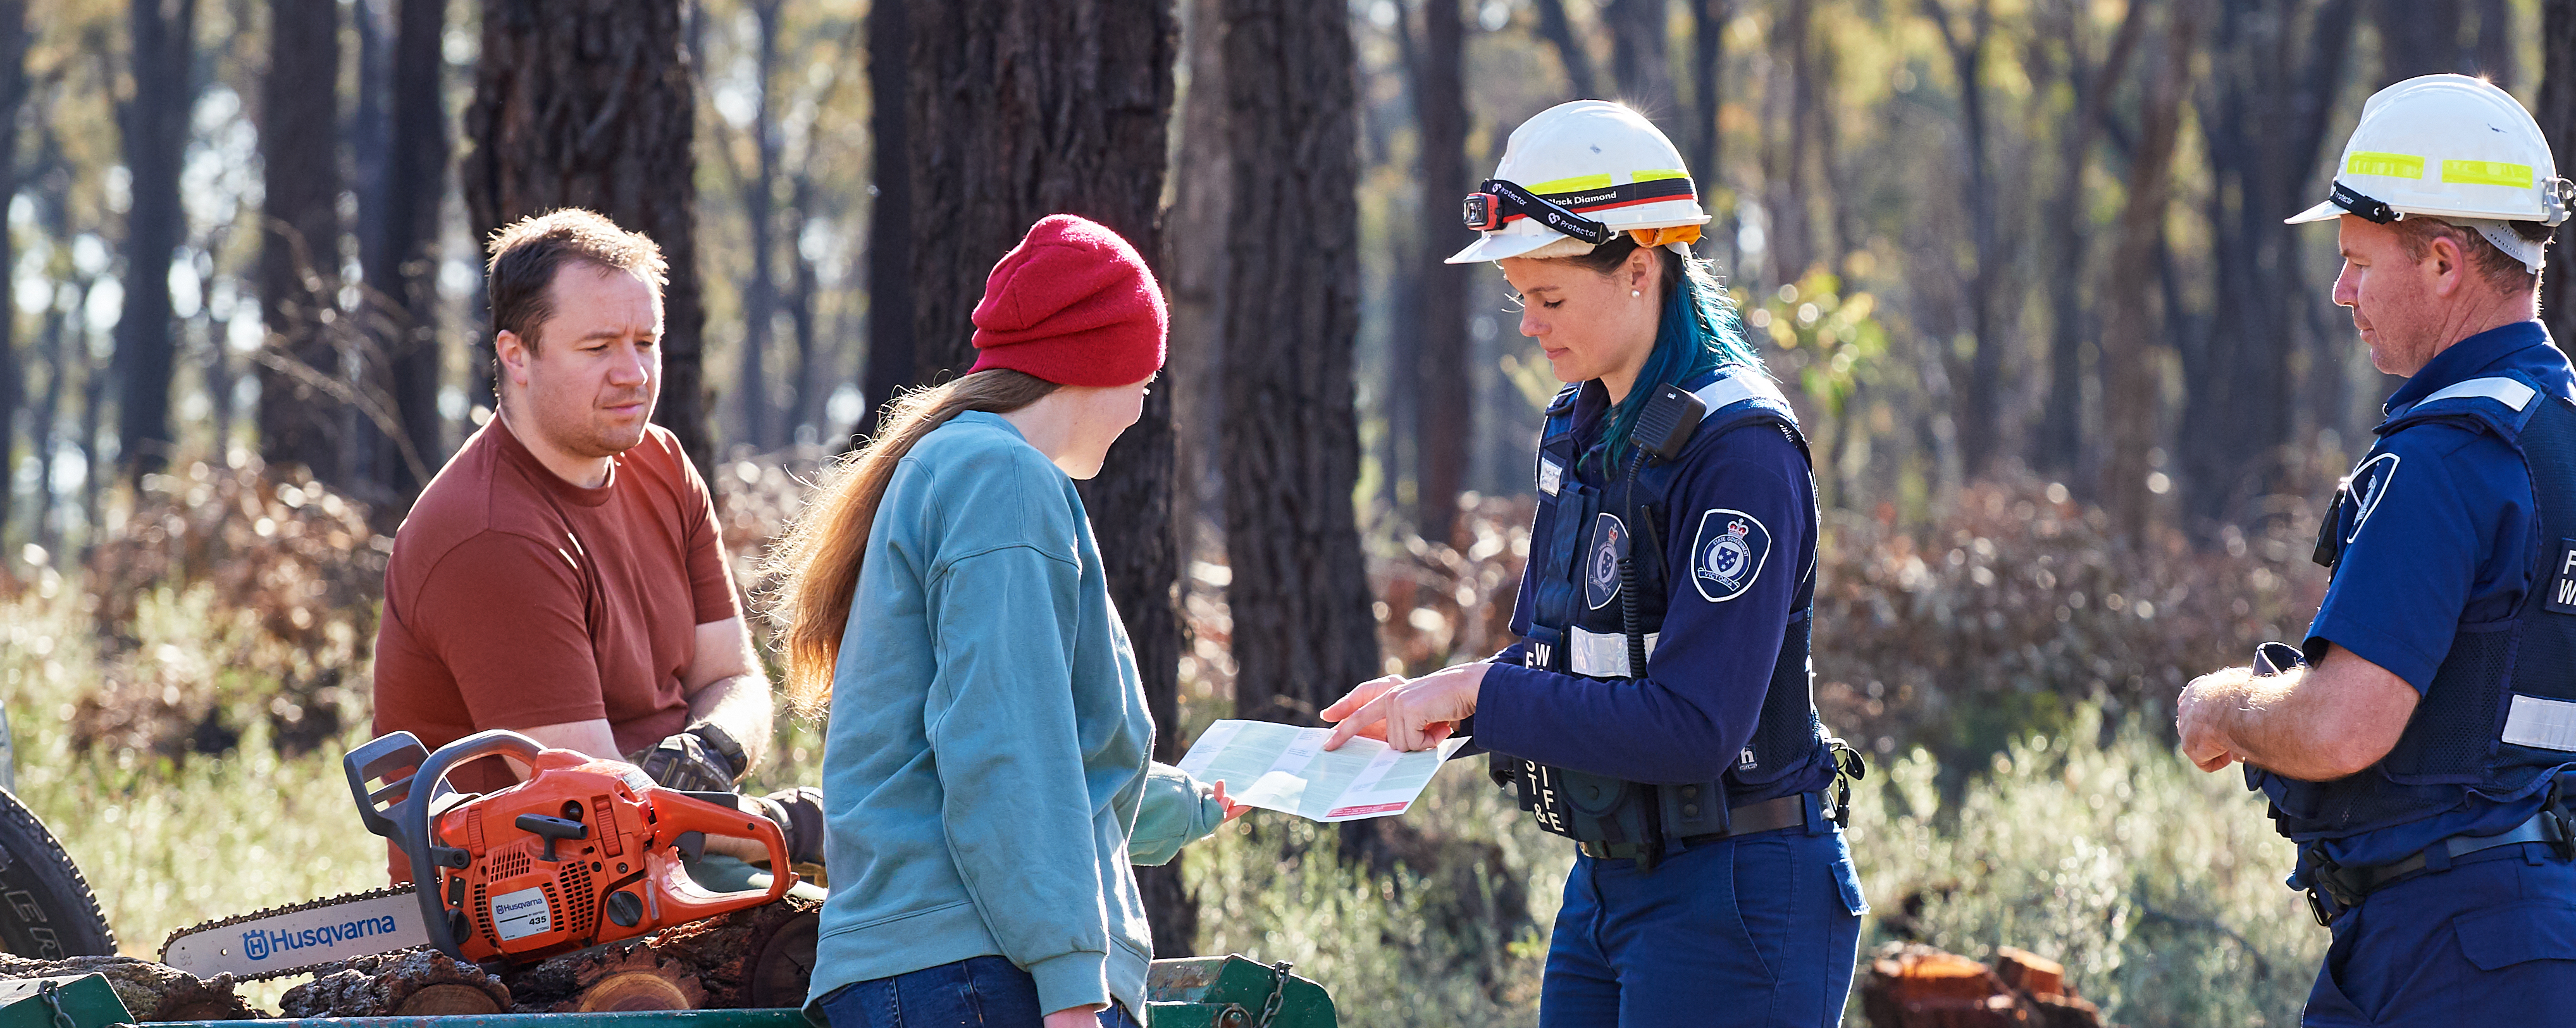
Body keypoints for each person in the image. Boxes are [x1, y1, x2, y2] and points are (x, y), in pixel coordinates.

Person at [1320, 101, 1869, 1027]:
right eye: (1520, 297)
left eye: (1550, 298)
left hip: (1736, 896)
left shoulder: (1740, 451)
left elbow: (1694, 725)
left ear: (1639, 271)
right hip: (1607, 888)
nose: (1528, 326)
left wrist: (1475, 694)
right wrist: (1431, 708)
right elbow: (1559, 667)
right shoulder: (1582, 428)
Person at [2174, 74, 2576, 1027]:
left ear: (2441, 263)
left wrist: (2220, 704)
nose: (2342, 291)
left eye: (2358, 260)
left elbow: (2345, 726)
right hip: (2573, 932)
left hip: (2454, 949)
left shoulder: (2444, 455)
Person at [770, 214, 1245, 1028]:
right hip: (976, 974)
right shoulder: (1004, 479)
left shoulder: (961, 464)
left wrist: (1189, 801)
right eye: (1146, 380)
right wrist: (1069, 990)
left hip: (938, 969)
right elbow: (1006, 744)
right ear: (1102, 361)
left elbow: (1012, 751)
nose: (1141, 407)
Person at [373, 207, 817, 879]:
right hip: (544, 894)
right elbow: (597, 810)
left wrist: (714, 745)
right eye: (599, 346)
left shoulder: (662, 462)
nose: (633, 373)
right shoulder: (492, 534)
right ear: (516, 355)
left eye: (646, 341)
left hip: (675, 842)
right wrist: (786, 826)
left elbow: (732, 674)